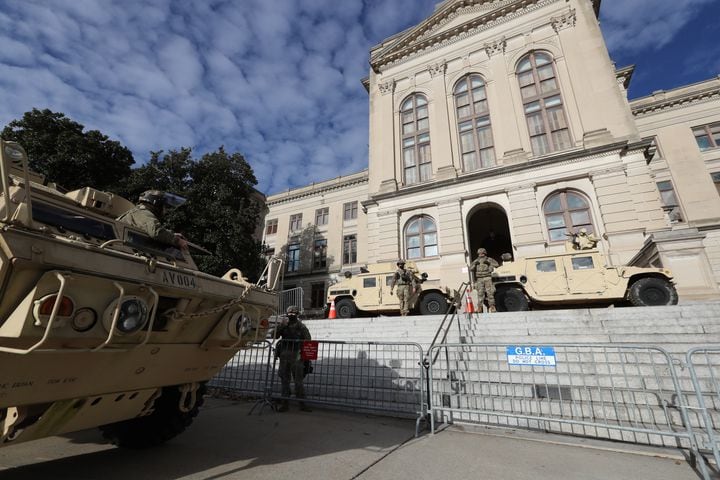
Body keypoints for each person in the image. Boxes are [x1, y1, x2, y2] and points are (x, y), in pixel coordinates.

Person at [117, 190, 188, 250]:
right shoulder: (142, 212)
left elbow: (148, 228)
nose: (165, 211)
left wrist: (172, 234)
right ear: (157, 204)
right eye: (164, 206)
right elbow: (156, 231)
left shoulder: (137, 212)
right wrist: (178, 241)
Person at [275, 305, 312, 412]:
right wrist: (281, 326)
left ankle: (302, 404)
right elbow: (274, 335)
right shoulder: (284, 325)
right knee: (284, 381)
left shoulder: (301, 326)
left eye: (293, 314)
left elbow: (308, 339)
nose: (291, 315)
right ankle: (285, 404)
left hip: (297, 356)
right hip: (284, 356)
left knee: (298, 382)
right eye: (289, 313)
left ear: (297, 315)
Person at [469, 247, 499, 313]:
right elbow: (471, 269)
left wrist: (489, 263)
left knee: (490, 293)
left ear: (485, 253)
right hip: (479, 278)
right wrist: (475, 264)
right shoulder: (476, 260)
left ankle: (492, 307)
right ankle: (480, 308)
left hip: (487, 277)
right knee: (480, 293)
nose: (481, 254)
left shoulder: (489, 259)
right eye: (480, 253)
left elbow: (496, 264)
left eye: (482, 253)